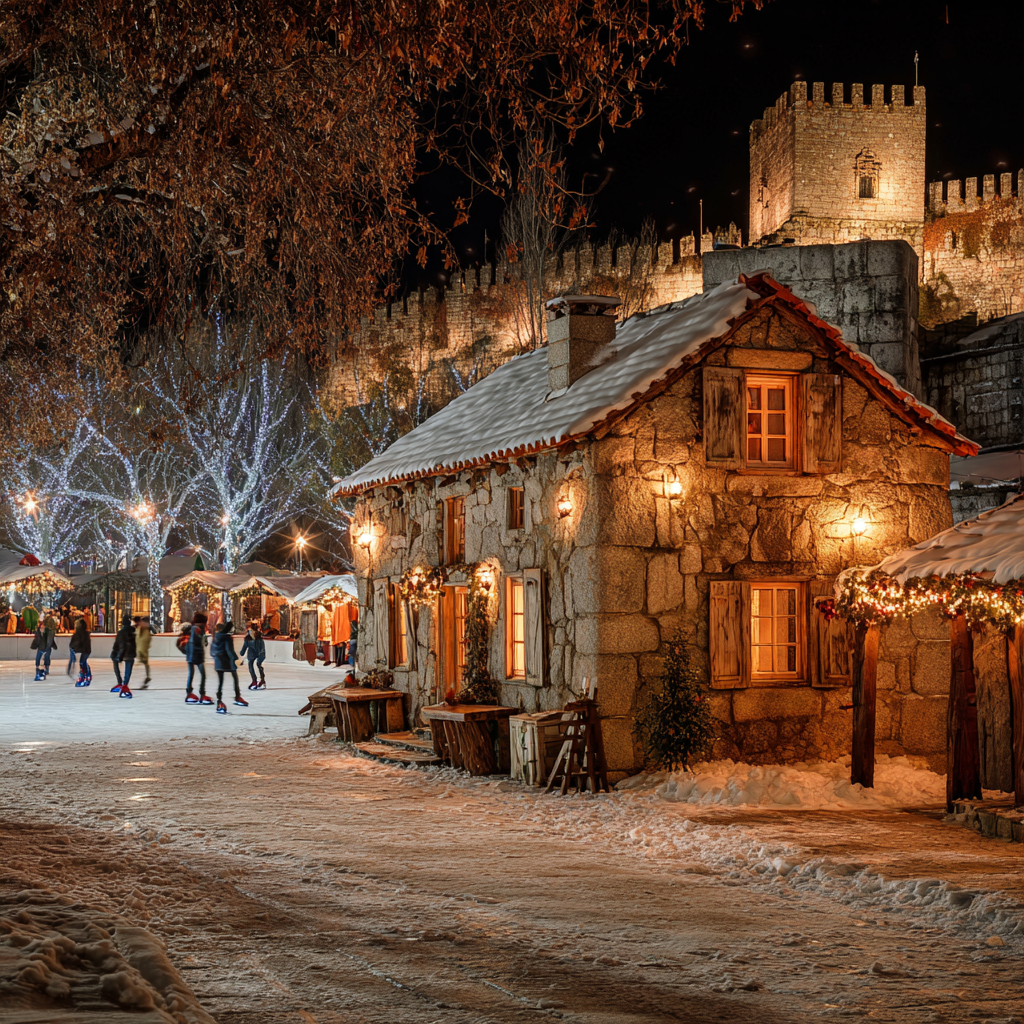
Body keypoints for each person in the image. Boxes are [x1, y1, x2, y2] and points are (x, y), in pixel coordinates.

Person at [211, 622, 248, 713]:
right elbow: (230, 651)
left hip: (218, 661)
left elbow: (212, 651)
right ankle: (237, 696)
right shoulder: (227, 638)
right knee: (235, 678)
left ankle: (219, 700)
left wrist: (217, 658)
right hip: (228, 662)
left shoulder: (215, 637)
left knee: (220, 682)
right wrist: (237, 660)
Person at [185, 612, 210, 705]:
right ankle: (202, 693)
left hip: (191, 655)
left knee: (191, 674)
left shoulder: (193, 628)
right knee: (202, 675)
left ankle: (189, 693)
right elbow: (198, 640)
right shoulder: (198, 629)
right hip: (197, 655)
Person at [109, 614, 136, 698]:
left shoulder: (122, 632)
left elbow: (120, 645)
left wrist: (118, 655)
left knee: (116, 663)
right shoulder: (132, 631)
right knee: (128, 669)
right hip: (130, 653)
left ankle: (121, 683)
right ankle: (124, 684)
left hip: (124, 653)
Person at [240, 622, 267, 690]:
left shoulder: (258, 637)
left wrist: (262, 653)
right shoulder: (249, 637)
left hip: (257, 652)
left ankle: (260, 680)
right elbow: (245, 646)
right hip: (253, 653)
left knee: (257, 664)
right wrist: (242, 652)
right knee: (252, 664)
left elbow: (262, 647)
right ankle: (255, 680)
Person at [32, 610, 57, 680]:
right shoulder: (42, 631)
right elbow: (38, 638)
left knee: (45, 657)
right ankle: (40, 668)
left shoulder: (48, 631)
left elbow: (49, 639)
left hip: (45, 646)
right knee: (41, 657)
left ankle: (45, 668)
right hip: (42, 646)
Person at [69, 616, 92, 686]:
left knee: (82, 662)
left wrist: (74, 647)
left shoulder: (81, 634)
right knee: (83, 662)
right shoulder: (81, 634)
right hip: (83, 650)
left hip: (85, 650)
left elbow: (78, 642)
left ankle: (84, 675)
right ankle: (86, 674)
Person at [134, 614, 152, 688]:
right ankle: (147, 676)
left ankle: (147, 677)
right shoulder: (142, 628)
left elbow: (142, 640)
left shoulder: (142, 628)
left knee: (144, 662)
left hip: (141, 649)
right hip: (142, 649)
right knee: (145, 663)